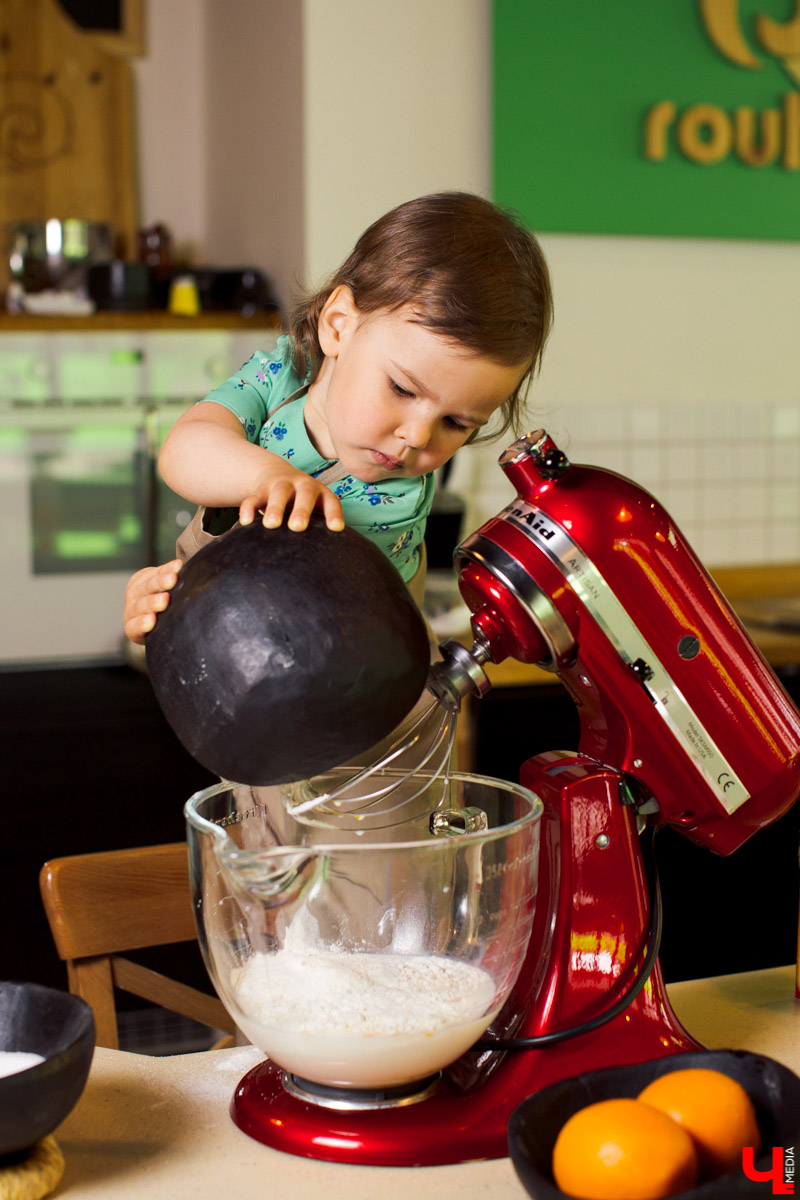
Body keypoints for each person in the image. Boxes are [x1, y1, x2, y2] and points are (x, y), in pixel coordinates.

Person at [123, 191, 553, 644]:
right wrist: (162, 607)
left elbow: (369, 640)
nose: (416, 437)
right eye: (402, 389)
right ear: (338, 325)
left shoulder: (398, 500)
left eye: (456, 424)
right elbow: (185, 449)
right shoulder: (280, 378)